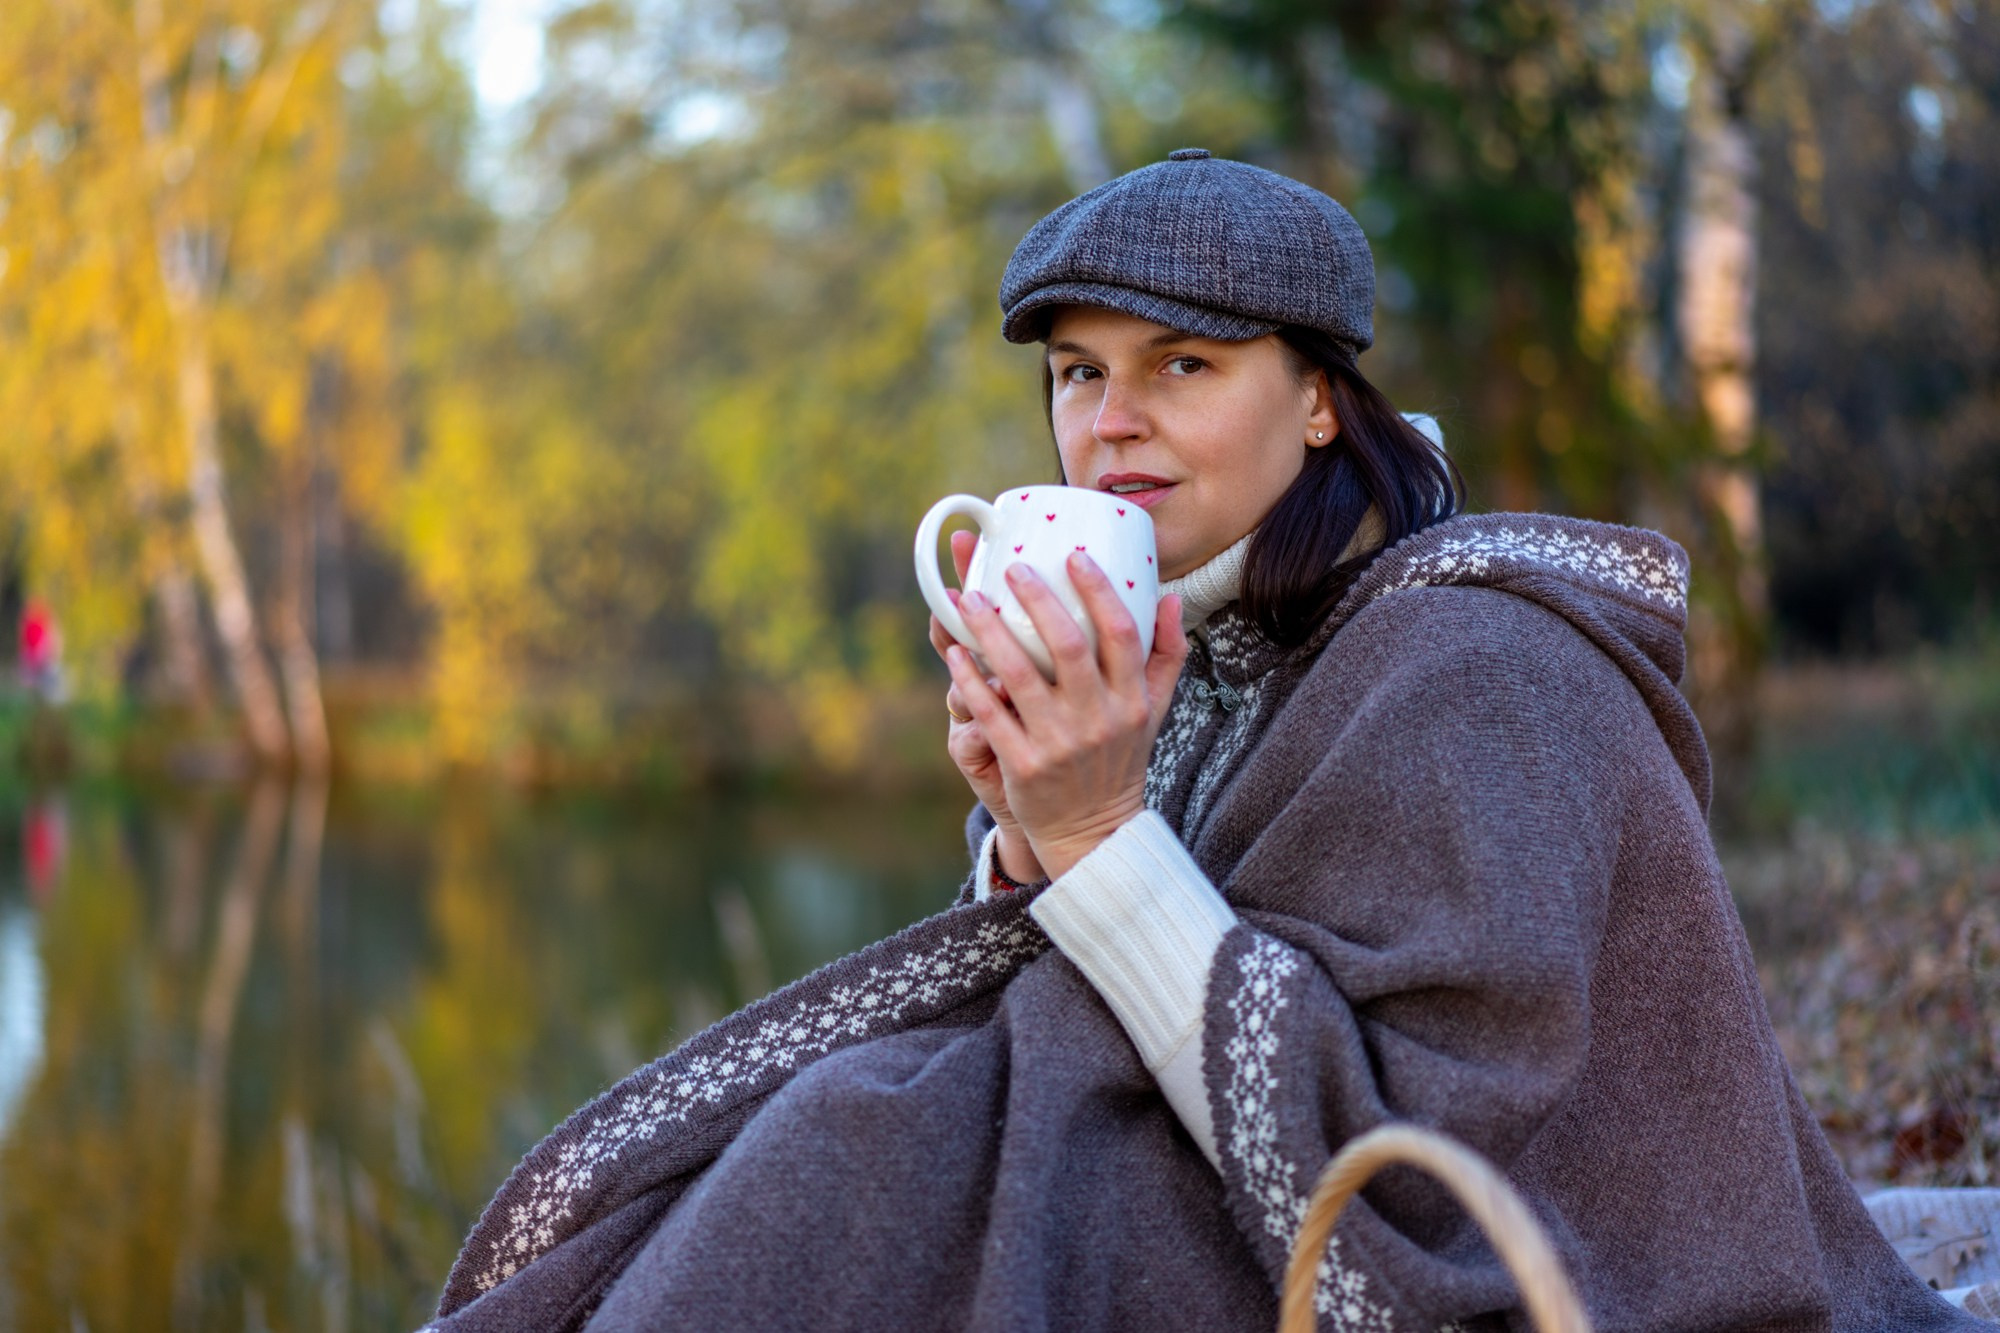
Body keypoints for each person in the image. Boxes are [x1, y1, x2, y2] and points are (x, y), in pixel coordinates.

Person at [428, 150, 1988, 1331]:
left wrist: (1105, 839)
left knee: (850, 1157)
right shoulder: (1220, 636)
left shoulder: (1484, 664)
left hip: (1527, 1265)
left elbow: (1432, 1170)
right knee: (820, 1142)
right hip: (1218, 1190)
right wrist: (1034, 824)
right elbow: (1104, 1008)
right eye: (1078, 375)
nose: (1112, 422)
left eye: (1183, 366)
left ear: (1318, 399)